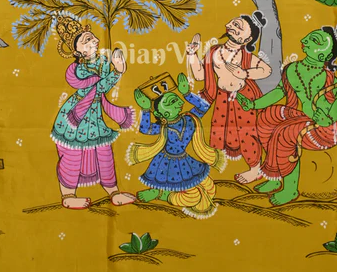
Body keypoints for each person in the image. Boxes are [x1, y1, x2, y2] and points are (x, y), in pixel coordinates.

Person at [237, 25, 337, 206]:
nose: (305, 40)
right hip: (300, 116)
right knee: (266, 117)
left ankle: (290, 189)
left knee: (285, 133)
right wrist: (254, 104)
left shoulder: (329, 77)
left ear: (323, 56)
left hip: (325, 127)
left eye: (315, 41)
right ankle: (274, 176)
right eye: (309, 37)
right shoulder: (292, 69)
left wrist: (329, 118)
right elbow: (279, 92)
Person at [51, 14, 136, 209]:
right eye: (87, 40)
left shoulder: (102, 61)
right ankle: (68, 196)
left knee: (104, 153)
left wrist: (116, 69)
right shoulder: (79, 70)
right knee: (73, 156)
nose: (95, 40)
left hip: (95, 116)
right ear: (78, 51)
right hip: (76, 118)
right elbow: (99, 87)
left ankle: (114, 192)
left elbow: (104, 86)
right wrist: (117, 71)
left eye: (92, 37)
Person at [187, 12, 272, 183]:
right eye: (233, 23)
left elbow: (266, 70)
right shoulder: (214, 52)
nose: (232, 27)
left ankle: (255, 169)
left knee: (247, 134)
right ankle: (214, 166)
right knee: (219, 131)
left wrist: (245, 73)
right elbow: (200, 75)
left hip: (242, 98)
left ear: (247, 39)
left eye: (238, 27)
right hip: (222, 99)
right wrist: (192, 55)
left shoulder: (246, 56)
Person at [127, 72, 225, 218]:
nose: (179, 103)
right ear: (160, 114)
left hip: (187, 161)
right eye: (171, 102)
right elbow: (145, 129)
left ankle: (166, 192)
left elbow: (204, 106)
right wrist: (146, 109)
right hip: (167, 164)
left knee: (210, 188)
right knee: (194, 197)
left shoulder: (189, 119)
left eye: (176, 99)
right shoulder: (163, 127)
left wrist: (187, 94)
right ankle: (161, 194)